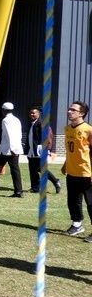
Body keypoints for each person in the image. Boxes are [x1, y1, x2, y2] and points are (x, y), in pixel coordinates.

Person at [61, 101, 92, 240]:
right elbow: (72, 151)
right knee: (73, 200)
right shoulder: (67, 129)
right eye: (69, 109)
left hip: (86, 172)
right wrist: (66, 163)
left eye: (73, 110)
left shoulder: (88, 129)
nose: (69, 112)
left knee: (91, 202)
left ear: (82, 113)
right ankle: (77, 224)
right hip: (72, 171)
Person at [24, 106, 61, 194]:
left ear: (38, 114)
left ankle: (55, 181)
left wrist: (46, 148)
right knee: (32, 169)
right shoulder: (31, 123)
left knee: (40, 168)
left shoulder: (42, 123)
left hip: (39, 150)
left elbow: (48, 137)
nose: (32, 114)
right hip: (32, 150)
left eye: (34, 113)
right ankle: (35, 187)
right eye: (30, 113)